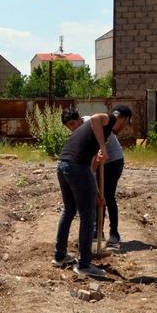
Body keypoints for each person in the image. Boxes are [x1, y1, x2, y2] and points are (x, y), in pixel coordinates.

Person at [54, 105, 133, 278]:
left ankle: (60, 256)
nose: (123, 126)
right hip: (76, 167)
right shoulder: (108, 120)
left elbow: (91, 166)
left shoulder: (83, 132)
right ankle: (84, 265)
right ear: (120, 118)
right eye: (125, 122)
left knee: (69, 210)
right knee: (88, 215)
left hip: (63, 165)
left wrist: (97, 192)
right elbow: (97, 117)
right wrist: (103, 148)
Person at [63, 109, 125, 250]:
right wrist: (90, 175)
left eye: (73, 123)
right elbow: (91, 158)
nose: (72, 128)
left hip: (113, 160)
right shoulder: (80, 131)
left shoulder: (92, 123)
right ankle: (98, 232)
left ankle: (114, 234)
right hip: (97, 161)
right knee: (98, 197)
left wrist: (90, 172)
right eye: (68, 126)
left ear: (79, 118)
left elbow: (95, 158)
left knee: (108, 196)